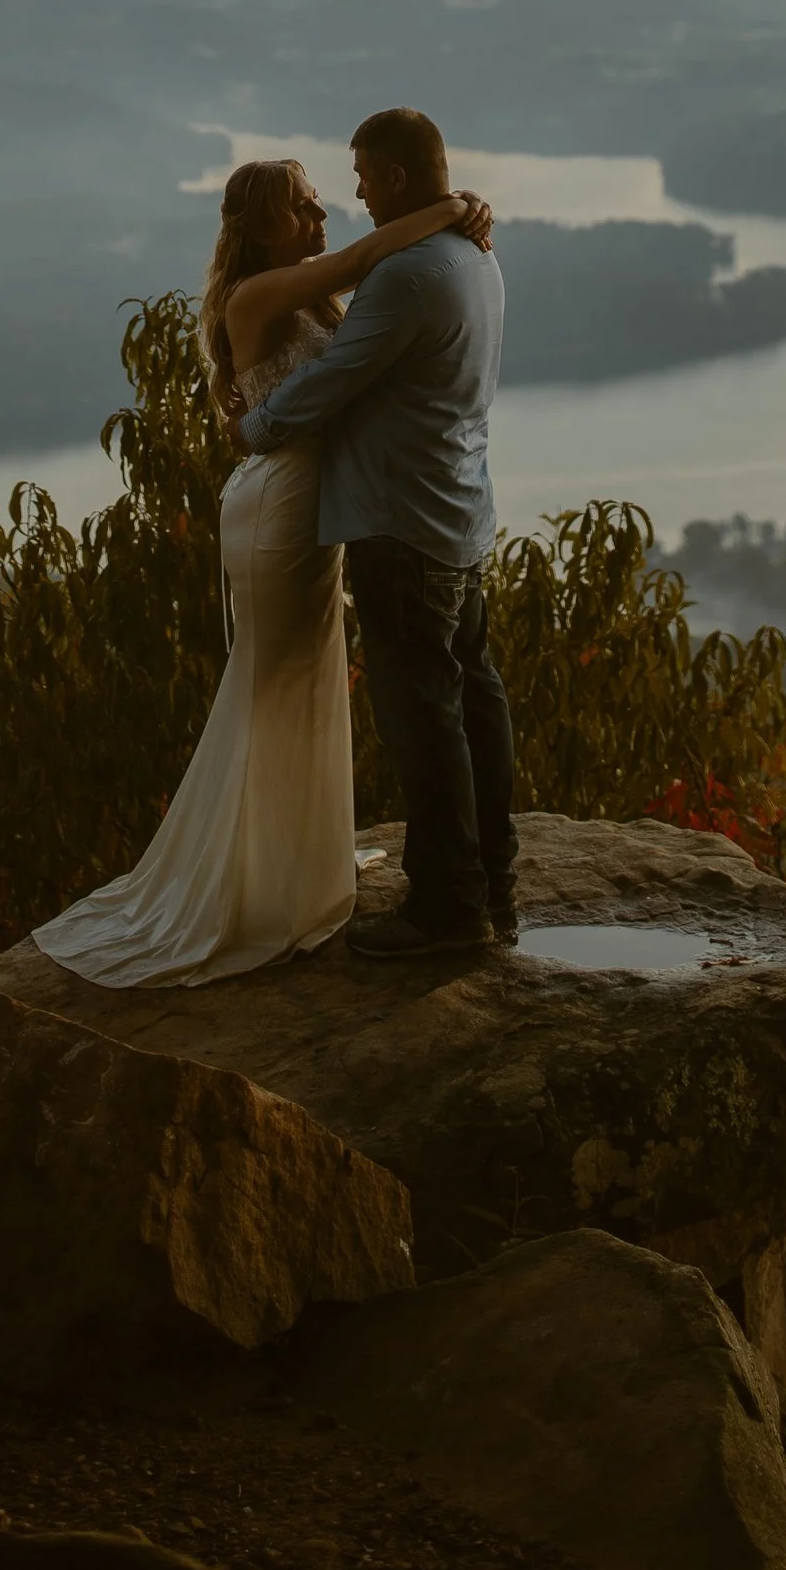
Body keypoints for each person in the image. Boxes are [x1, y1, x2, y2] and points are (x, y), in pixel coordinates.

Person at [33, 151, 490, 988]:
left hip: (310, 505)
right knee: (272, 678)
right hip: (279, 504)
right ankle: (244, 884)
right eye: (304, 208)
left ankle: (295, 864)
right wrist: (454, 205)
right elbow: (362, 258)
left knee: (306, 680)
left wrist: (453, 214)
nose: (322, 219)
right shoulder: (257, 296)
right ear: (259, 226)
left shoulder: (309, 292)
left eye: (320, 204)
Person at [235, 105, 515, 956]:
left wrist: (250, 428)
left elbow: (328, 386)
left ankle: (446, 910)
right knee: (473, 702)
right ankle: (491, 885)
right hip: (458, 512)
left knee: (423, 717)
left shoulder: (405, 276)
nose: (353, 197)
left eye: (359, 180)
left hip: (400, 523)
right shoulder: (473, 256)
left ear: (394, 177)